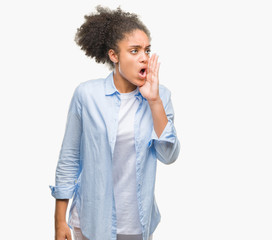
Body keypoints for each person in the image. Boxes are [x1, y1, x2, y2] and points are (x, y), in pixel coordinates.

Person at [49, 5, 180, 240]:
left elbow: (168, 156)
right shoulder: (86, 95)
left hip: (136, 225)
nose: (144, 57)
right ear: (114, 55)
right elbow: (69, 158)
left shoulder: (162, 97)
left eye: (147, 50)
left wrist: (154, 101)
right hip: (91, 221)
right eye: (134, 50)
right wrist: (60, 222)